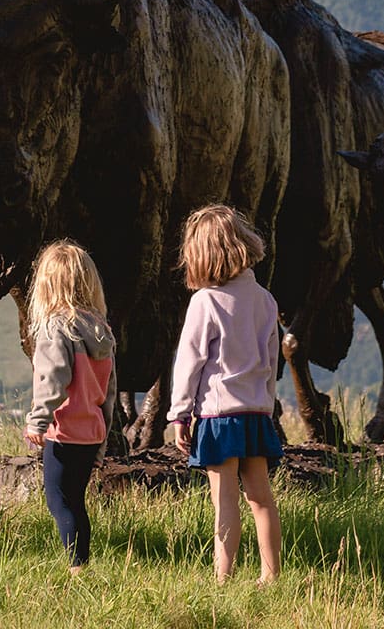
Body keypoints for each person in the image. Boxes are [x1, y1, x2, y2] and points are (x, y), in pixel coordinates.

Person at [168, 203, 284, 584]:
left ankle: (223, 576)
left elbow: (189, 363)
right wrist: (266, 405)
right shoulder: (265, 300)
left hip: (219, 417)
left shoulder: (205, 302)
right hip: (256, 414)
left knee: (224, 499)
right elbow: (272, 361)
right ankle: (270, 575)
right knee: (261, 498)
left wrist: (180, 414)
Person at [22, 239, 117, 573]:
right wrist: (102, 441)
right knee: (76, 501)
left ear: (47, 285)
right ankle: (82, 565)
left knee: (59, 501)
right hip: (91, 431)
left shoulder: (55, 328)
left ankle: (77, 568)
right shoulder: (101, 330)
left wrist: (38, 420)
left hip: (64, 432)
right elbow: (109, 391)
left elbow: (53, 379)